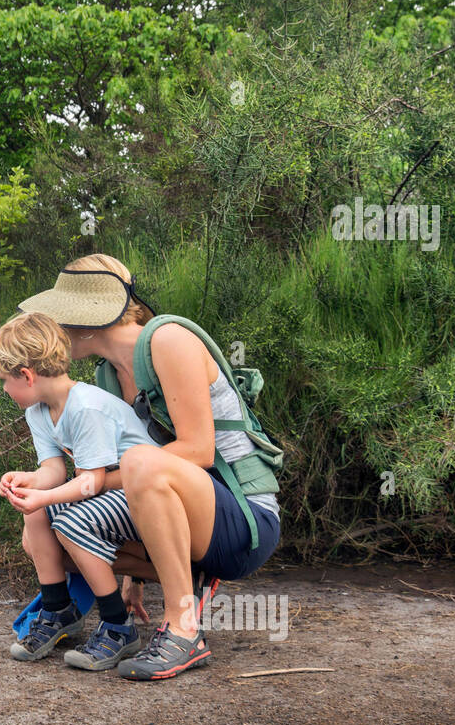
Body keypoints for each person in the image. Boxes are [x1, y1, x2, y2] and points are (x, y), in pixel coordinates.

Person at [15, 252, 282, 680]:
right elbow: (138, 476)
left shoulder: (168, 341)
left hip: (243, 519)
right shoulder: (107, 376)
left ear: (88, 319)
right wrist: (133, 580)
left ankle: (184, 629)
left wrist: (94, 483)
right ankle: (144, 598)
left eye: (59, 319)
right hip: (184, 512)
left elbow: (198, 451)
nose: (56, 332)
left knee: (139, 462)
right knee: (46, 526)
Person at [0, 310, 159, 670]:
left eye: (5, 380)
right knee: (35, 512)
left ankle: (117, 626)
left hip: (146, 497)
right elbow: (54, 470)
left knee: (69, 521)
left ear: (27, 375)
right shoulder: (39, 411)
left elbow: (91, 482)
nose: (4, 389)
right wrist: (28, 482)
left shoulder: (85, 407)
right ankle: (57, 609)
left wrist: (48, 496)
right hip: (107, 495)